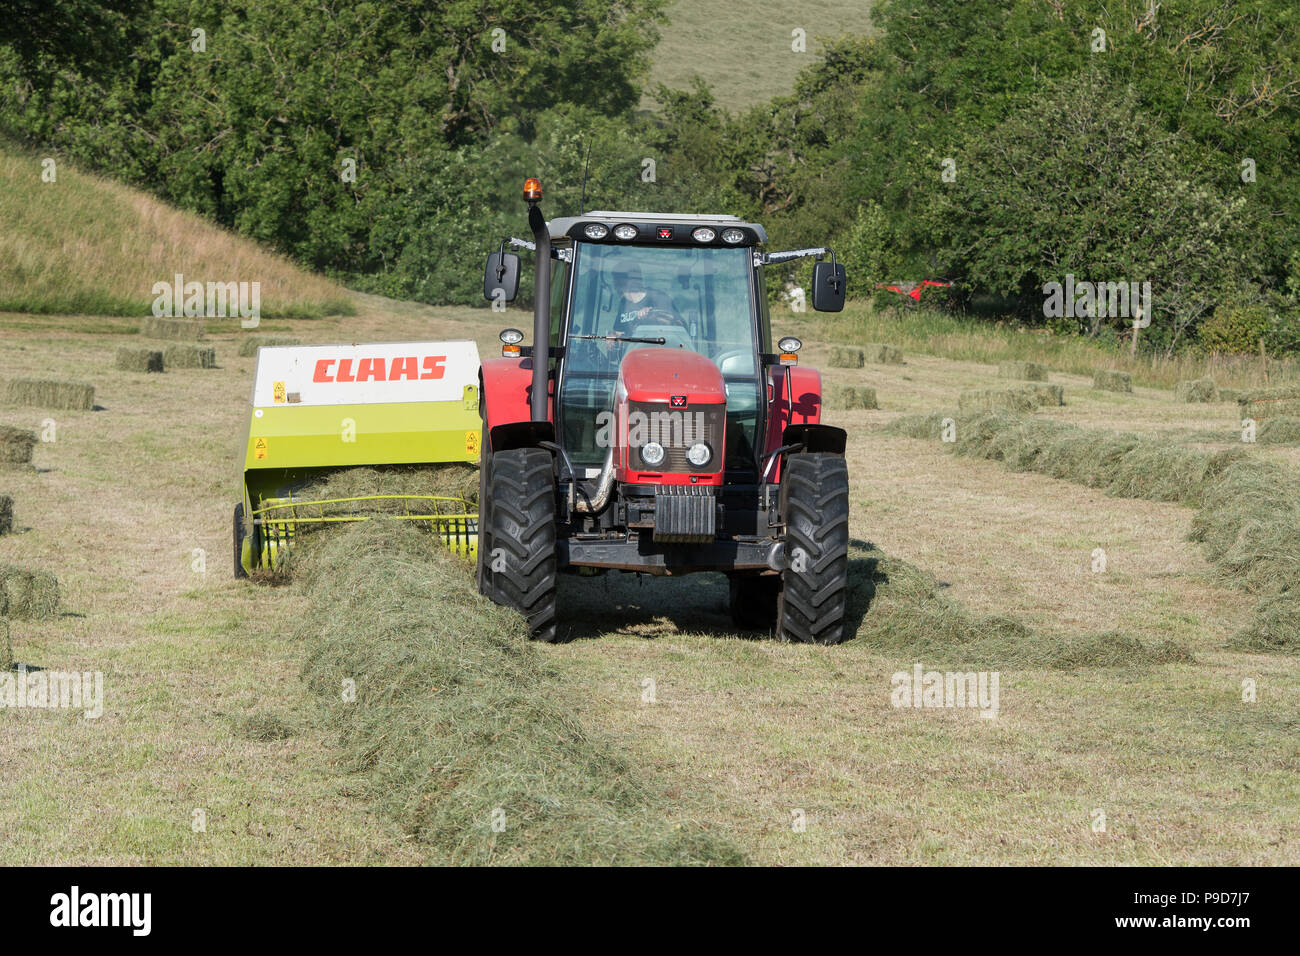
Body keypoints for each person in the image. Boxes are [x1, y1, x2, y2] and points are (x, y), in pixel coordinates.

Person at [611, 265, 680, 335]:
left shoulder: (659, 297)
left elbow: (676, 325)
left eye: (618, 282)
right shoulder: (623, 302)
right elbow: (618, 332)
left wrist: (651, 316)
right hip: (632, 345)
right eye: (616, 282)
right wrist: (612, 337)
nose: (615, 287)